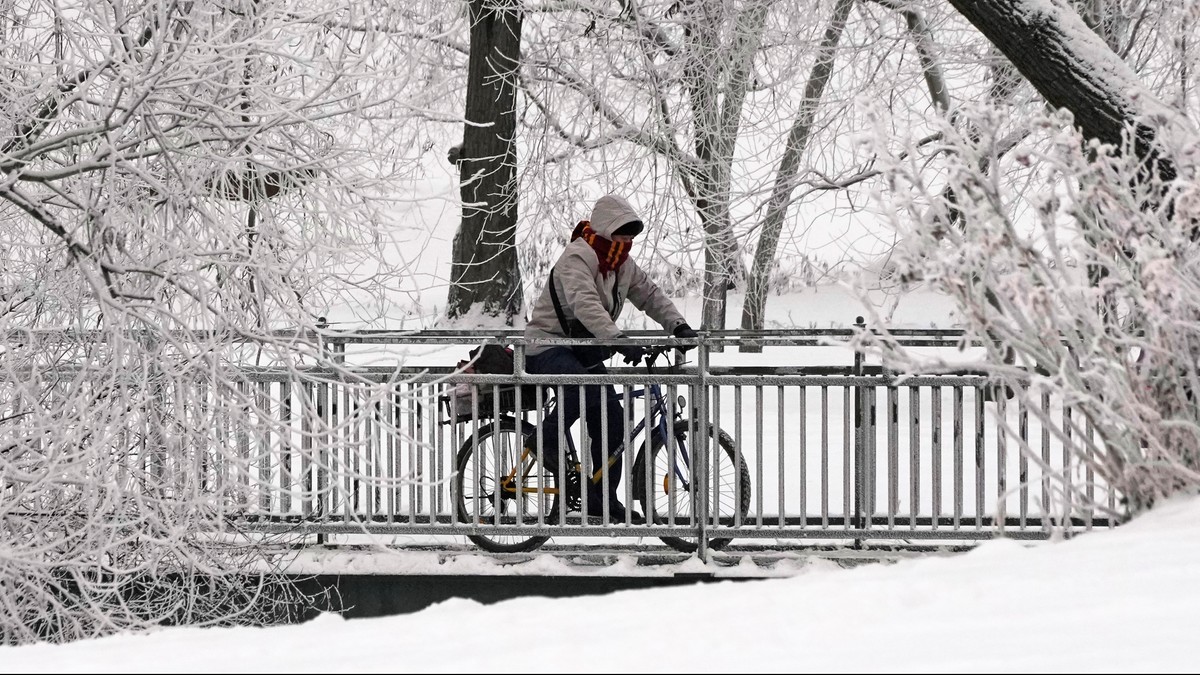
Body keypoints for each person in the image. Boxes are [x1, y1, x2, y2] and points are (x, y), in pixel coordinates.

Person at [524, 194, 698, 523]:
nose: (628, 240)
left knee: (612, 419)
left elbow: (649, 293)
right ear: (605, 230)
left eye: (631, 234)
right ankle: (542, 440)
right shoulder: (578, 257)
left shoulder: (620, 265)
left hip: (582, 348)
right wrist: (617, 339)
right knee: (585, 388)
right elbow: (584, 303)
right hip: (546, 345)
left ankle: (601, 498)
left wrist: (679, 326)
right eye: (622, 233)